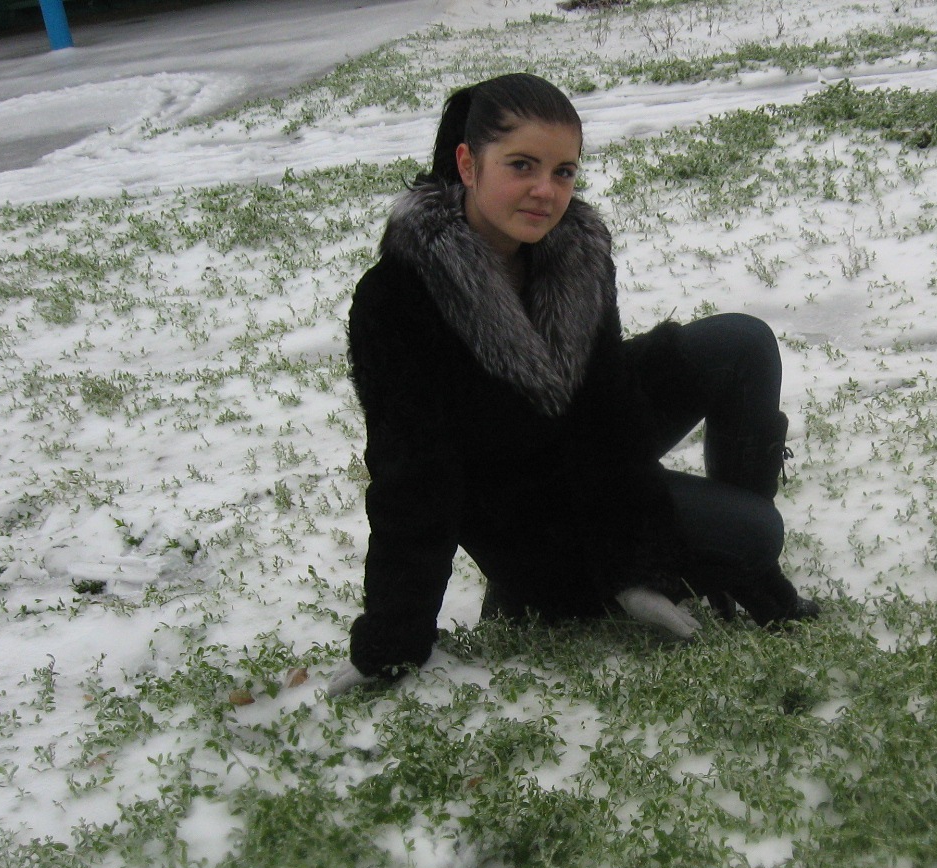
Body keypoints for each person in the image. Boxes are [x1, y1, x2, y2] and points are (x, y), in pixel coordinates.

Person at [328, 73, 816, 695]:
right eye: (522, 166)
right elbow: (412, 478)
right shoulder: (398, 297)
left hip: (578, 451)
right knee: (756, 532)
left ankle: (729, 571)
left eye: (563, 172)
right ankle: (580, 583)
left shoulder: (573, 254)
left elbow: (607, 409)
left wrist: (639, 563)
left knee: (741, 343)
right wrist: (392, 642)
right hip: (525, 515)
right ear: (468, 164)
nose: (545, 191)